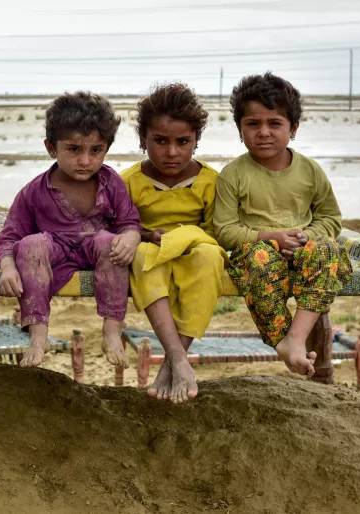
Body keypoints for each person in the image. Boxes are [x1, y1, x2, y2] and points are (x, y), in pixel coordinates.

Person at [214, 72, 352, 377]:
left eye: (274, 123)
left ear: (294, 128)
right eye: (253, 124)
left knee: (327, 250)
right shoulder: (233, 174)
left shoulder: (310, 171)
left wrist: (304, 238)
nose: (264, 132)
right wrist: (272, 237)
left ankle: (296, 338)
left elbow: (330, 218)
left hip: (303, 253)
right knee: (259, 257)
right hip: (257, 257)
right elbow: (224, 230)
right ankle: (282, 339)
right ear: (240, 130)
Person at [0, 91, 142, 368]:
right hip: (53, 250)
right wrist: (8, 267)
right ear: (52, 148)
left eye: (95, 150)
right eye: (74, 149)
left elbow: (129, 223)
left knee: (111, 242)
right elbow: (10, 237)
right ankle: (38, 336)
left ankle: (112, 332)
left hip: (96, 249)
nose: (85, 160)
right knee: (30, 245)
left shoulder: (112, 183)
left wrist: (131, 239)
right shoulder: (33, 192)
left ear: (106, 149)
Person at [121, 83, 226, 404]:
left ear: (196, 142)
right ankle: (179, 359)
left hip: (196, 251)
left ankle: (172, 360)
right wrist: (148, 239)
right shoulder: (128, 182)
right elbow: (120, 227)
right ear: (143, 140)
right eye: (161, 141)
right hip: (148, 252)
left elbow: (216, 234)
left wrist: (181, 240)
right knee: (139, 255)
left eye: (183, 142)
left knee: (209, 256)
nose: (172, 152)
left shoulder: (210, 181)